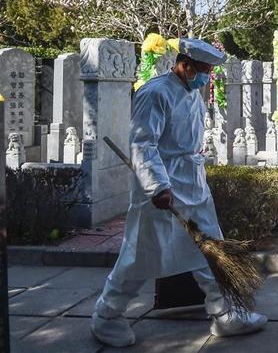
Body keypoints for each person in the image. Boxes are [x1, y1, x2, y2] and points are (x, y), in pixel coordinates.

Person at [91, 38, 267, 348]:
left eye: (209, 72)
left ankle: (225, 313)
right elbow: (144, 144)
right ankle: (107, 315)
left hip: (193, 184)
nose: (206, 78)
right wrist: (157, 186)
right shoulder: (155, 93)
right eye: (202, 71)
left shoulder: (193, 94)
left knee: (210, 249)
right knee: (140, 255)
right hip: (163, 188)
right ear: (184, 65)